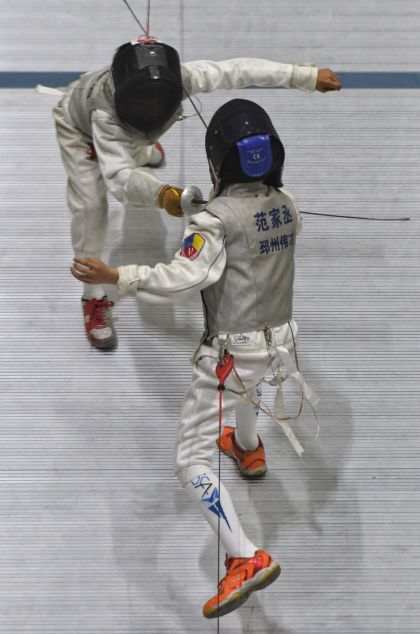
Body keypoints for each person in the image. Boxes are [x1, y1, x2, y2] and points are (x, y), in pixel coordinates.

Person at [70, 98, 319, 618]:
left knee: (190, 461)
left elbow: (185, 277)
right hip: (282, 345)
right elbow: (254, 228)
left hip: (234, 351)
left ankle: (244, 556)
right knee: (249, 385)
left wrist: (118, 276)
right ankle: (248, 448)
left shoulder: (213, 222)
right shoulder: (289, 204)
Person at [55, 36, 341, 350]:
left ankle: (140, 149)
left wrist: (303, 76)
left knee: (134, 150)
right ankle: (92, 296)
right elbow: (120, 180)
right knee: (90, 207)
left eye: (158, 103)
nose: (153, 108)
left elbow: (237, 70)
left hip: (127, 131)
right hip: (80, 131)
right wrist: (163, 193)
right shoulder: (104, 114)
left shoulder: (180, 79)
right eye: (146, 104)